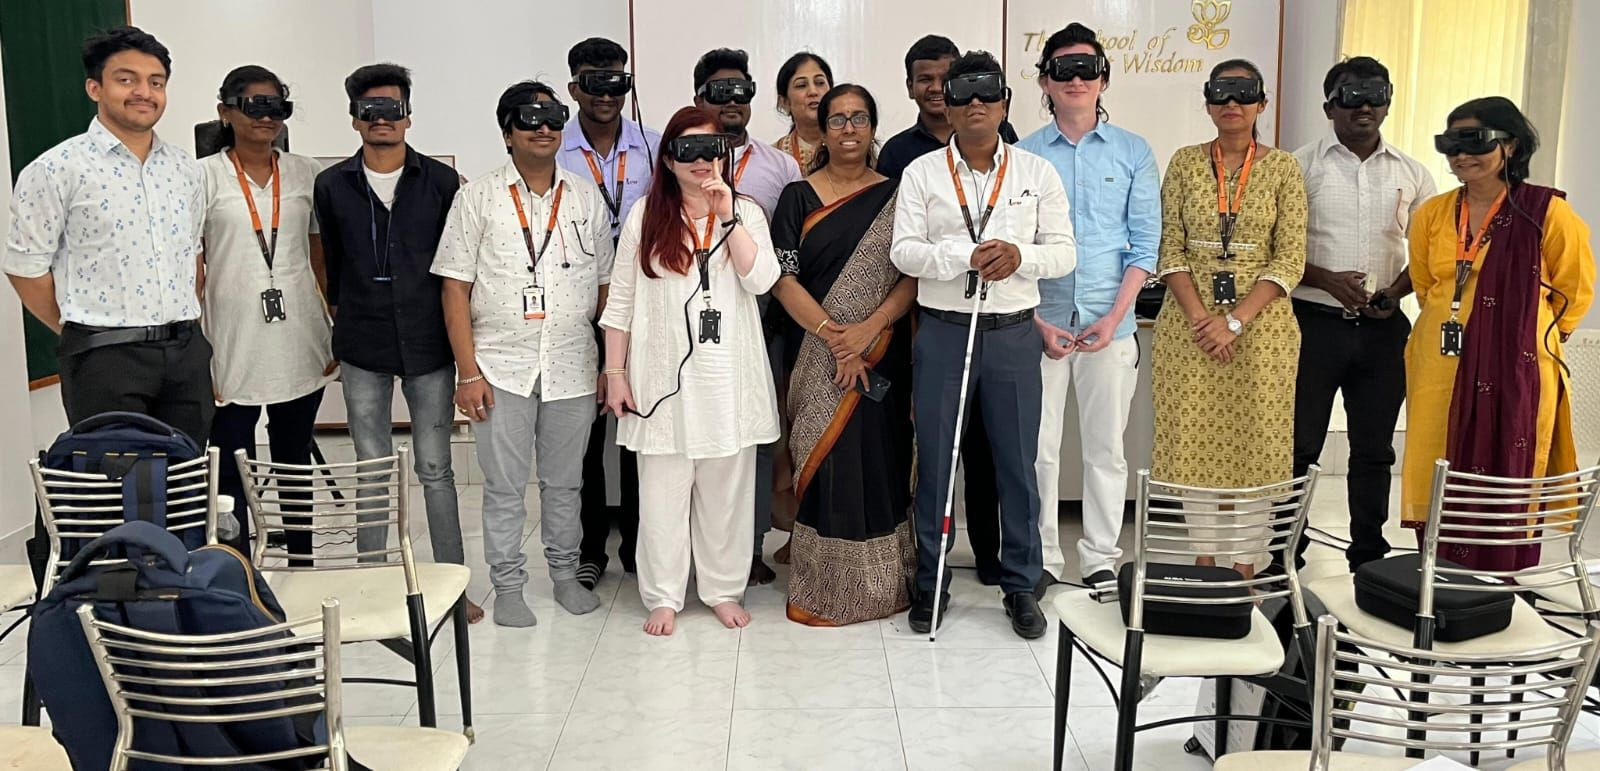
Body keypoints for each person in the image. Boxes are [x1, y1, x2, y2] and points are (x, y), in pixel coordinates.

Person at [891, 52, 1075, 639]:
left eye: (987, 95)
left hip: (1013, 335)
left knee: (1017, 465)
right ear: (946, 100)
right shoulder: (922, 172)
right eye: (963, 94)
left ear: (1004, 104)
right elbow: (905, 252)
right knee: (939, 459)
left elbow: (1065, 251)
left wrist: (1021, 256)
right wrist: (961, 256)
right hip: (944, 330)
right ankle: (933, 582)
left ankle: (1022, 584)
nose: (975, 105)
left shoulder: (1035, 173)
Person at [433, 81, 614, 627]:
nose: (544, 127)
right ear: (507, 131)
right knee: (505, 486)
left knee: (566, 484)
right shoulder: (477, 197)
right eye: (529, 118)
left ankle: (563, 575)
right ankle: (507, 584)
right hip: (500, 367)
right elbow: (454, 288)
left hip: (573, 366)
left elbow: (606, 289)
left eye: (554, 117)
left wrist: (611, 365)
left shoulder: (584, 198)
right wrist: (468, 372)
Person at [600, 106, 781, 636]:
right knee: (661, 493)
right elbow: (622, 304)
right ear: (669, 159)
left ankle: (723, 589)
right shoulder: (644, 216)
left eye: (711, 149)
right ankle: (662, 595)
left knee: (726, 491)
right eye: (688, 151)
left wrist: (727, 217)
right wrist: (615, 373)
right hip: (661, 381)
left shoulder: (745, 212)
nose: (701, 162)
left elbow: (762, 279)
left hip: (728, 376)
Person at [313, 63, 479, 621]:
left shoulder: (442, 183)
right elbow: (330, 265)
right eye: (371, 110)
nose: (382, 119)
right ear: (355, 118)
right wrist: (338, 324)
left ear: (409, 115)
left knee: (436, 467)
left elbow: (458, 269)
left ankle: (452, 587)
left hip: (429, 342)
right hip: (363, 341)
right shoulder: (332, 184)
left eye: (393, 108)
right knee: (371, 467)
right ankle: (373, 588)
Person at [1402, 97, 1594, 571]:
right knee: (1438, 465)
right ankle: (1438, 585)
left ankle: (1502, 592)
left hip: (1517, 367)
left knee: (1508, 469)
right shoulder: (1432, 214)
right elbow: (1427, 286)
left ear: (1510, 145)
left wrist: (1522, 341)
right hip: (1438, 368)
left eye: (1475, 141)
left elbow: (1575, 291)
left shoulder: (1546, 213)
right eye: (1450, 145)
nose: (1460, 155)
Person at [5, 26, 211, 443]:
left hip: (185, 351)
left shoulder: (185, 169)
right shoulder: (56, 169)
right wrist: (81, 330)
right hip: (104, 357)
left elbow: (191, 255)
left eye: (156, 82)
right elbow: (25, 268)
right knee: (113, 491)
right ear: (94, 88)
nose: (144, 92)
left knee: (185, 483)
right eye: (126, 79)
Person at [1152, 60, 1307, 580]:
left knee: (1257, 446)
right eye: (1221, 93)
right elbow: (1169, 247)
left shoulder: (1283, 168)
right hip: (1188, 327)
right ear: (1208, 102)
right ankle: (1203, 561)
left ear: (1262, 103)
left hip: (1261, 331)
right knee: (1192, 441)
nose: (1232, 103)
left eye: (1244, 93)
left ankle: (1244, 565)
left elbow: (1289, 258)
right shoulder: (1184, 163)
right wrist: (1203, 320)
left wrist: (1234, 321)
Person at [1018, 24, 1159, 591]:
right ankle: (1046, 556)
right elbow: (1015, 248)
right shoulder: (1023, 155)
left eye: (1086, 68)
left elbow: (1145, 244)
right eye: (1063, 70)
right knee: (1040, 450)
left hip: (1112, 322)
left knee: (1107, 449)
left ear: (1103, 76)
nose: (1075, 80)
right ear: (1045, 81)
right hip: (1041, 322)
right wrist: (1035, 321)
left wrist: (1113, 315)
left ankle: (1101, 554)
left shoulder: (1134, 151)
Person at [770, 84, 917, 626]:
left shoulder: (899, 194)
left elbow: (910, 278)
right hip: (816, 355)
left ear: (874, 127)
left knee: (881, 461)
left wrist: (869, 329)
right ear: (822, 129)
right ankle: (825, 589)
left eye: (859, 119)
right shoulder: (797, 197)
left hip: (881, 353)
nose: (849, 129)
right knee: (825, 462)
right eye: (837, 120)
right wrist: (838, 336)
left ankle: (882, 586)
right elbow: (781, 280)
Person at [876, 34, 1017, 585]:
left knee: (989, 444)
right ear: (912, 86)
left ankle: (989, 556)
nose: (940, 90)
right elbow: (896, 247)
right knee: (934, 449)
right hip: (926, 317)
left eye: (950, 79)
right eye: (927, 80)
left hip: (999, 320)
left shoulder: (1010, 150)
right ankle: (929, 565)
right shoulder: (902, 156)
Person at [1289, 57, 1434, 572]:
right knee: (1300, 448)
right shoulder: (1297, 166)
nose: (1365, 105)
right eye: (1351, 95)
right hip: (1311, 325)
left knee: (1374, 450)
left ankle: (1368, 552)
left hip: (1383, 329)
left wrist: (1396, 292)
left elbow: (1430, 254)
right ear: (1329, 106)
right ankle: (1289, 549)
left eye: (1375, 94)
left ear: (1389, 101)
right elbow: (1275, 249)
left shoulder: (1414, 173)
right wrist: (1327, 279)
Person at [201, 65, 336, 557]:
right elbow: (194, 260)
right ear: (225, 112)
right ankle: (237, 566)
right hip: (232, 335)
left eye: (277, 105)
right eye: (254, 104)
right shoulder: (204, 177)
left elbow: (320, 252)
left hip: (298, 332)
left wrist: (331, 321)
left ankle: (302, 552)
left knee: (293, 453)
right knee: (232, 456)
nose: (266, 116)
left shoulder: (306, 172)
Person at [691, 48, 804, 583]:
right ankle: (691, 548)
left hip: (761, 312)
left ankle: (751, 546)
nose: (733, 100)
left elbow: (785, 249)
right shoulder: (681, 158)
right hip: (691, 316)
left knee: (757, 430)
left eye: (742, 90)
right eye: (720, 91)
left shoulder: (781, 165)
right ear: (700, 98)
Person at [558, 36, 662, 591]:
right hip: (575, 304)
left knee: (636, 420)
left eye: (617, 80)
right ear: (573, 85)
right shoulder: (554, 145)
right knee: (585, 432)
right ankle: (590, 545)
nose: (607, 92)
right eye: (594, 81)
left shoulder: (652, 145)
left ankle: (641, 543)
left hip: (638, 306)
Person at [772, 53, 832, 172]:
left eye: (820, 83)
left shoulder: (850, 148)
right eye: (801, 85)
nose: (813, 91)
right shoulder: (773, 158)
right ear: (784, 102)